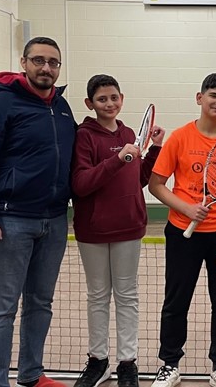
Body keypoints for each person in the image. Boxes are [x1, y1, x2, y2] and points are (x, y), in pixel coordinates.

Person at [0, 36, 75, 387]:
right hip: (10, 221)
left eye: (53, 62)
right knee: (2, 309)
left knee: (41, 303)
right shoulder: (0, 106)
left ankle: (31, 373)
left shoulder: (62, 107)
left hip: (54, 220)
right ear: (23, 63)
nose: (46, 68)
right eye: (38, 60)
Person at [147, 73, 216, 387]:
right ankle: (170, 364)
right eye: (214, 95)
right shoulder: (179, 137)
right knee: (177, 300)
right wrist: (186, 208)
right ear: (199, 98)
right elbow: (156, 185)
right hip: (181, 233)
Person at [70, 74, 164, 387]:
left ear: (121, 98)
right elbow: (81, 184)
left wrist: (155, 149)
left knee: (127, 296)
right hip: (93, 230)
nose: (109, 104)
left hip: (129, 227)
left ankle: (127, 363)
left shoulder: (129, 135)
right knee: (98, 296)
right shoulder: (84, 136)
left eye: (114, 97)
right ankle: (98, 361)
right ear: (90, 104)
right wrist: (118, 158)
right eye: (102, 99)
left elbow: (136, 179)